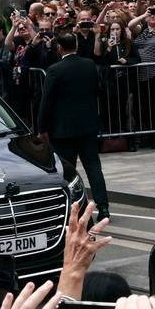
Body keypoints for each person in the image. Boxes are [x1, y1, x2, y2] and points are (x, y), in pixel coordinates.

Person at [37, 30, 110, 221]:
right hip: (87, 125)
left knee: (68, 173)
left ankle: (72, 210)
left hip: (63, 129)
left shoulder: (54, 70)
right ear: (76, 46)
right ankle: (103, 208)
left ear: (59, 48)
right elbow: (100, 90)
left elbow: (46, 102)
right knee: (94, 167)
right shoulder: (89, 65)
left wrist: (41, 128)